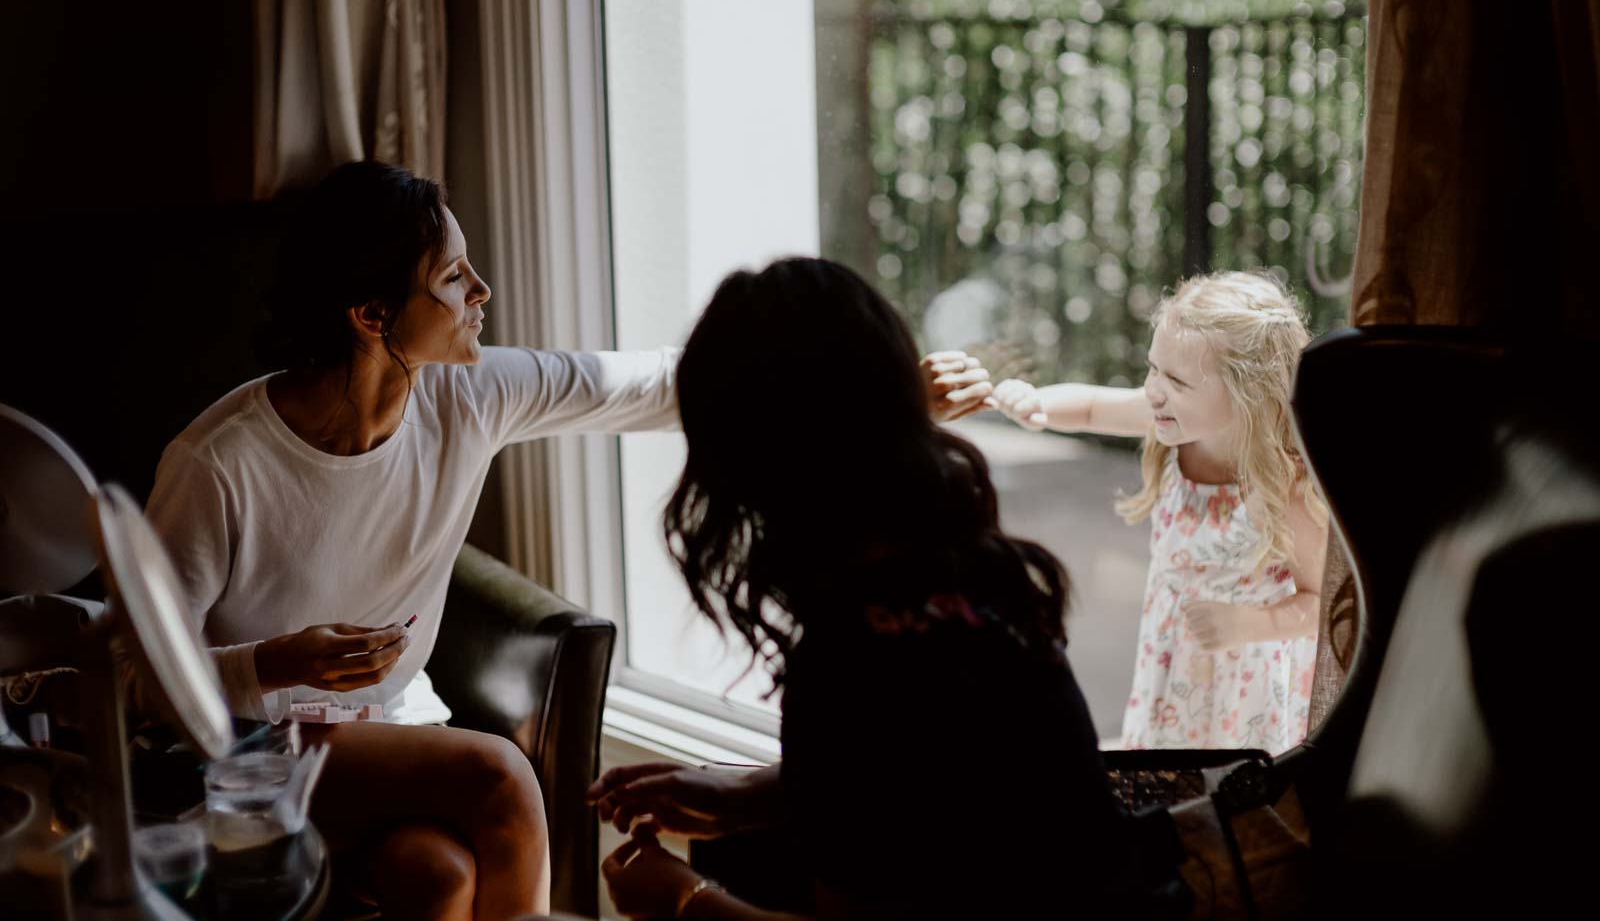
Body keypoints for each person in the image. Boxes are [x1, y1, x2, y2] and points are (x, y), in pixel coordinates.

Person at [144, 160, 684, 920]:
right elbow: (143, 680)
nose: (481, 291)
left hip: (391, 730)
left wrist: (874, 375)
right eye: (455, 277)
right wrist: (276, 662)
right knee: (499, 773)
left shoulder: (469, 396)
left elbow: (640, 384)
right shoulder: (220, 464)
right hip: (247, 754)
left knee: (438, 878)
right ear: (371, 313)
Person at [588, 258, 1164, 920]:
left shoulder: (852, 656)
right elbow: (927, 783)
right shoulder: (971, 573)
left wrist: (683, 900)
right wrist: (738, 796)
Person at [991, 270, 1327, 755]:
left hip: (1245, 686)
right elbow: (1088, 407)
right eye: (1153, 368)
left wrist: (1250, 625)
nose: (1153, 390)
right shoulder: (1170, 425)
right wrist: (1036, 403)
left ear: (1247, 392)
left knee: (1229, 800)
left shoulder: (1281, 484)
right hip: (1170, 664)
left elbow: (1324, 601)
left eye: (1176, 380)